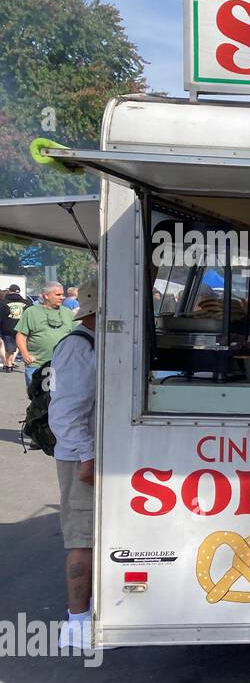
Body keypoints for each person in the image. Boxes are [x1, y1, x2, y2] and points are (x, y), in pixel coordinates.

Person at [48, 274, 98, 651]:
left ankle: (88, 615)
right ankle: (77, 623)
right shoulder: (80, 347)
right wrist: (87, 455)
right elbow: (65, 414)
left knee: (93, 534)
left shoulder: (94, 343)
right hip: (80, 455)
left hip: (88, 452)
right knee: (82, 537)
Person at [16, 282, 74, 386]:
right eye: (58, 295)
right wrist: (25, 355)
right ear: (46, 296)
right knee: (39, 400)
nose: (62, 297)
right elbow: (21, 335)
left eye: (62, 294)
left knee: (58, 400)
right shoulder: (31, 312)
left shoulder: (67, 313)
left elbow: (76, 334)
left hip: (62, 366)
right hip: (37, 366)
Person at [1, 284, 25, 372]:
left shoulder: (3, 303)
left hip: (7, 328)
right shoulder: (27, 303)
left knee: (9, 348)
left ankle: (9, 365)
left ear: (10, 291)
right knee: (23, 346)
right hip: (23, 328)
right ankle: (26, 363)